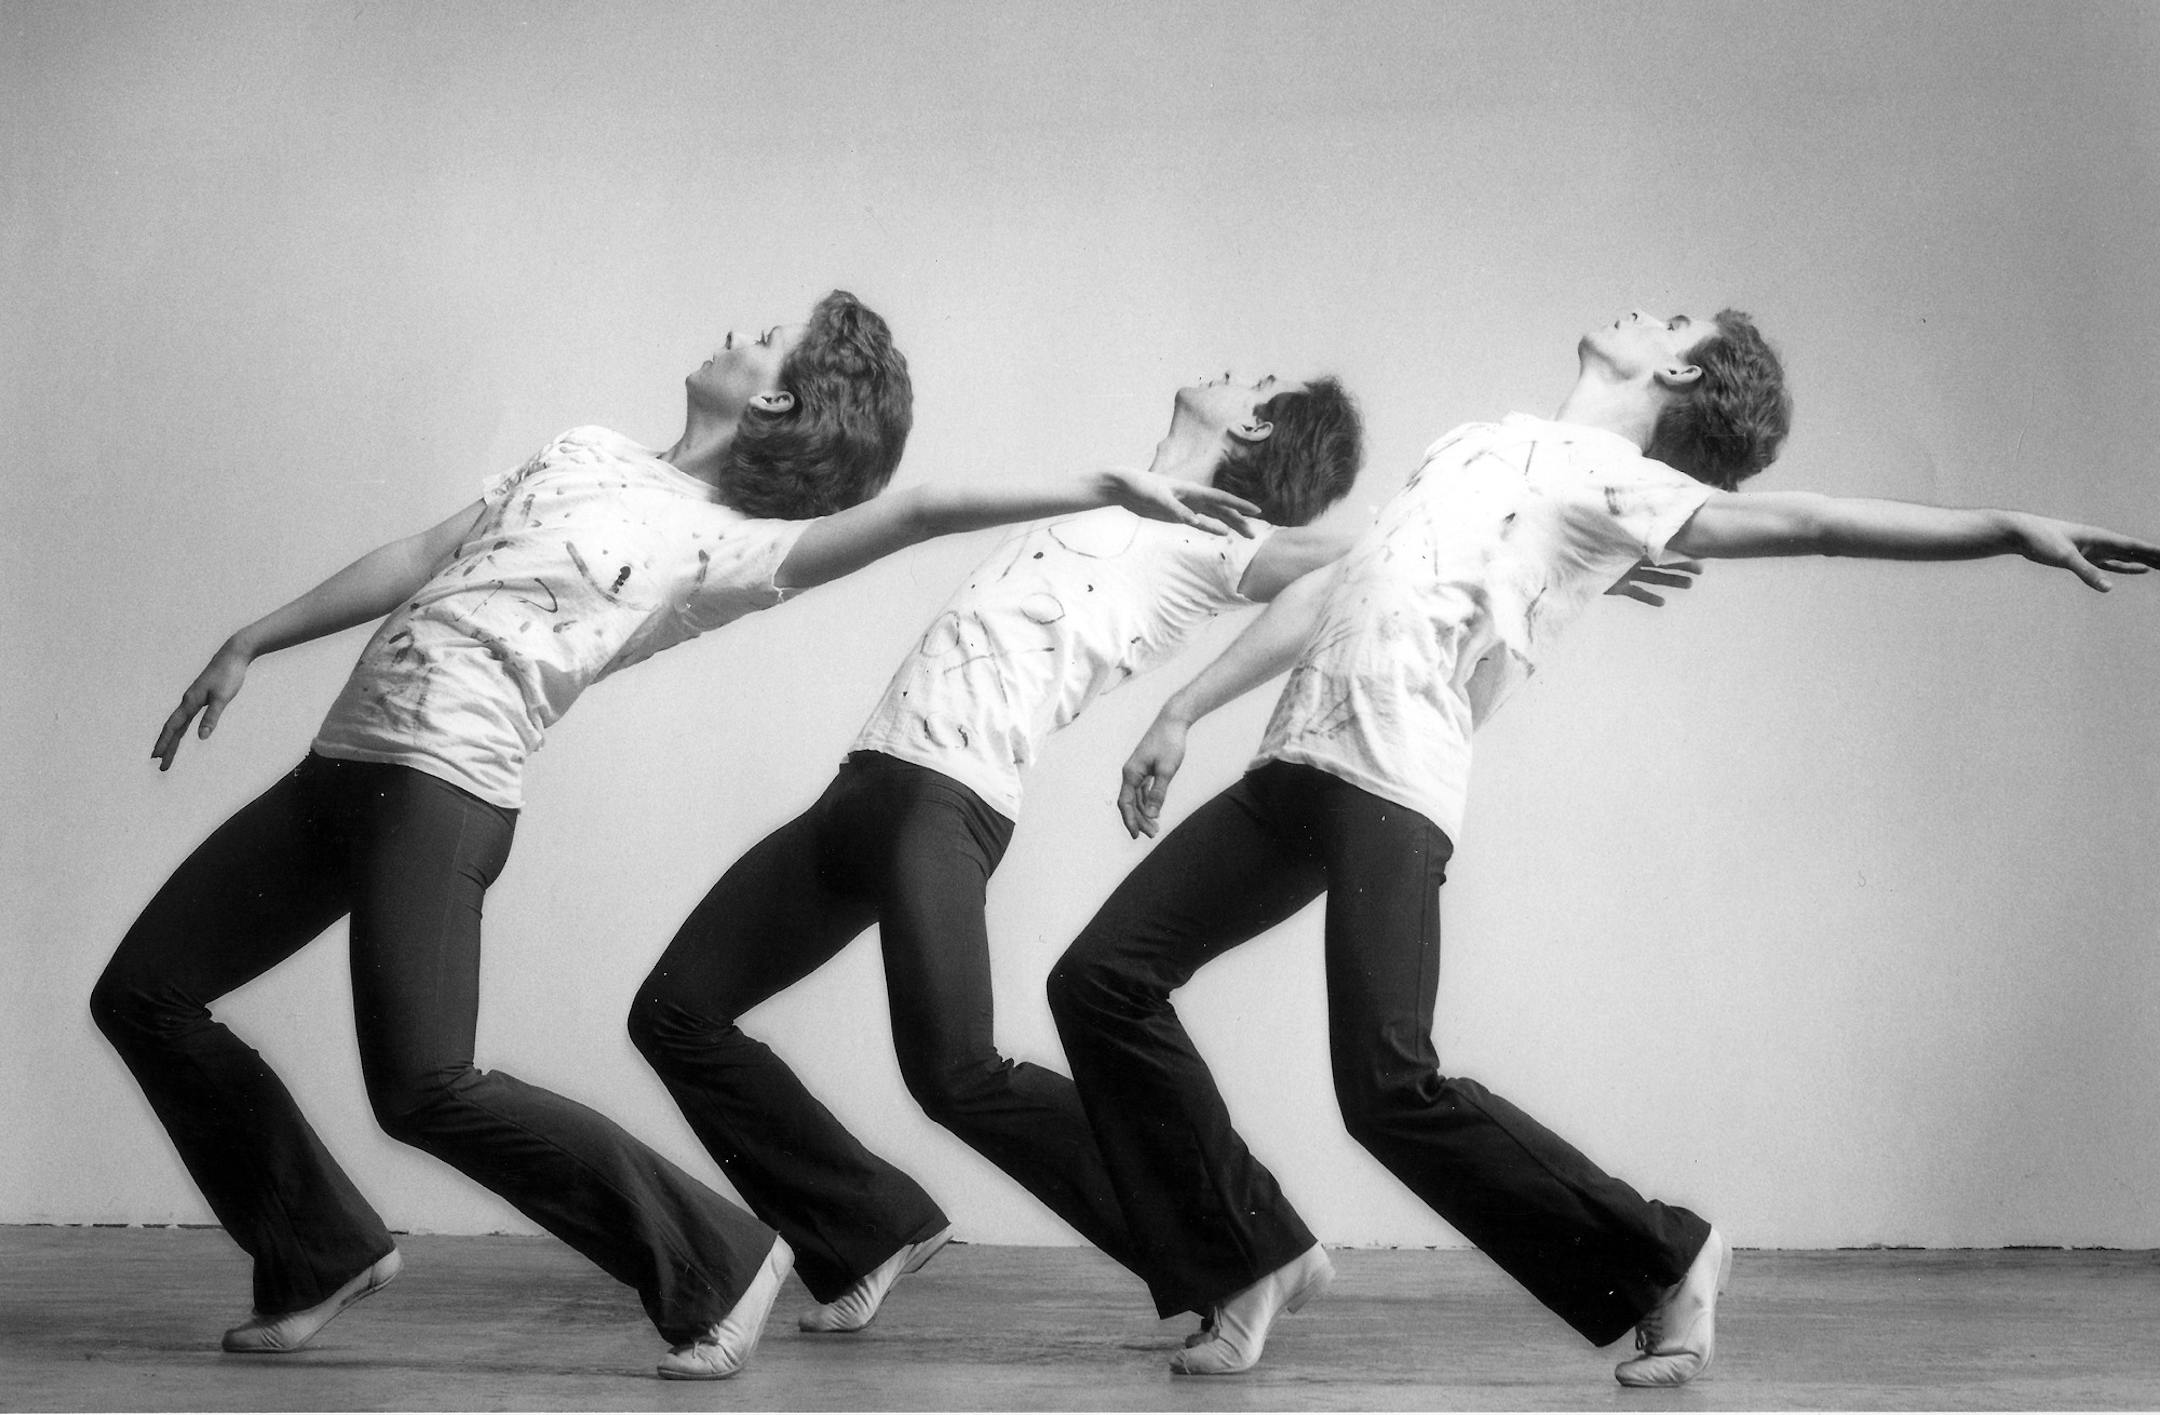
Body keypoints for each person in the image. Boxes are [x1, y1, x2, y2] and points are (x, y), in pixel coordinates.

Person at [89, 290, 1261, 1381]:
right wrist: (254, 637)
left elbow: (910, 514)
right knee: (144, 993)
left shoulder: (729, 548)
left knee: (426, 1085)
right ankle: (318, 1247)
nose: (733, 330)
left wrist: (1102, 482)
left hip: (444, 790)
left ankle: (715, 1261)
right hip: (339, 770)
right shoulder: (584, 450)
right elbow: (420, 555)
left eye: (761, 334)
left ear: (776, 401)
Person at [1047, 308, 2160, 1385]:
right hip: (1294, 764)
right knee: (1101, 979)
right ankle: (1248, 1258)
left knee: (1388, 1086)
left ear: (1681, 378)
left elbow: (1812, 520)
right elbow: (1341, 584)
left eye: (1673, 321)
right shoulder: (1479, 442)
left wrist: (2009, 528)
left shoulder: (1627, 485)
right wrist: (1184, 707)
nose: (1645, 310)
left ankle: (1670, 1255)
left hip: (1393, 777)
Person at [625, 370, 1366, 1334]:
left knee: (957, 1071)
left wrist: (1183, 713)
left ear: (1256, 424)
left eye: (1253, 381)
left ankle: (1251, 1247)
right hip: (867, 782)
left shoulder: (1214, 541)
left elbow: (1365, 556)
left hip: (950, 796)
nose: (1231, 373)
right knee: (676, 1012)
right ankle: (865, 1227)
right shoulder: (1121, 500)